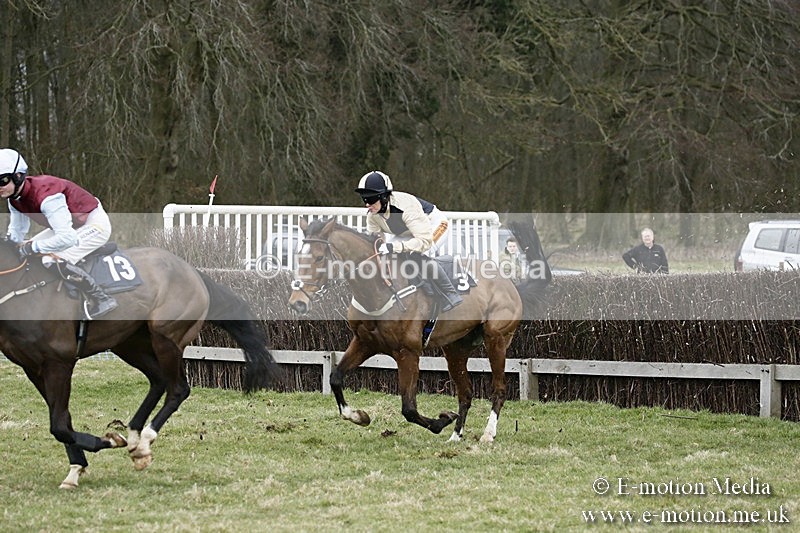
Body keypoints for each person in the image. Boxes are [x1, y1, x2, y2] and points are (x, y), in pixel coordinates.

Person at [0, 148, 118, 317]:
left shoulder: (47, 197)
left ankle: (101, 297)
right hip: (70, 225)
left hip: (93, 223)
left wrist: (32, 247)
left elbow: (67, 238)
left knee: (49, 259)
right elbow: (16, 234)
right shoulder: (14, 199)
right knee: (26, 249)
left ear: (18, 176)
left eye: (2, 181)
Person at [354, 170, 462, 312]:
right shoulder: (372, 216)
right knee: (389, 254)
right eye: (364, 199)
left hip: (433, 225)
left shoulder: (406, 207)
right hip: (408, 231)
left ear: (384, 197)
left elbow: (424, 242)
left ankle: (450, 293)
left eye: (371, 199)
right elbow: (376, 243)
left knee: (417, 253)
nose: (367, 204)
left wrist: (395, 247)